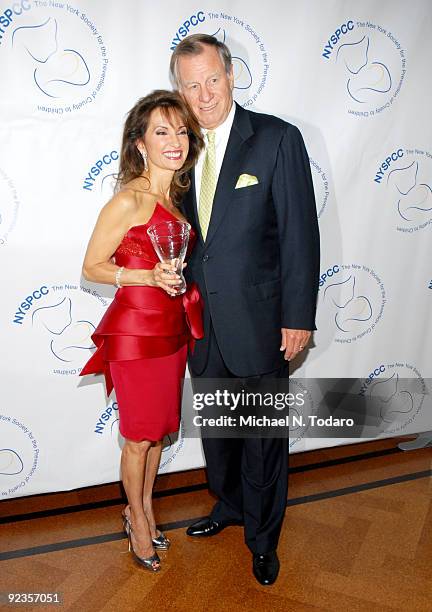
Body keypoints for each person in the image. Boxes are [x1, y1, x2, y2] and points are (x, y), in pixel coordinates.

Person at [170, 35, 320, 585]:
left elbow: (301, 234)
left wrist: (298, 315)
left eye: (212, 79)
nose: (204, 94)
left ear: (231, 75)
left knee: (262, 436)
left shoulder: (277, 139)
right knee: (220, 432)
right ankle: (229, 506)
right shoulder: (176, 150)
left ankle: (263, 536)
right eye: (191, 84)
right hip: (200, 324)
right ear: (179, 90)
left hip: (261, 320)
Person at [80, 90, 204, 572]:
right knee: (137, 438)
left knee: (155, 435)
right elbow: (92, 266)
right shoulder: (129, 200)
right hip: (135, 334)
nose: (174, 140)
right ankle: (135, 520)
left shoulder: (173, 202)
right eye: (161, 131)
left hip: (171, 331)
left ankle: (146, 510)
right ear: (139, 143)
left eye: (180, 131)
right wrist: (146, 277)